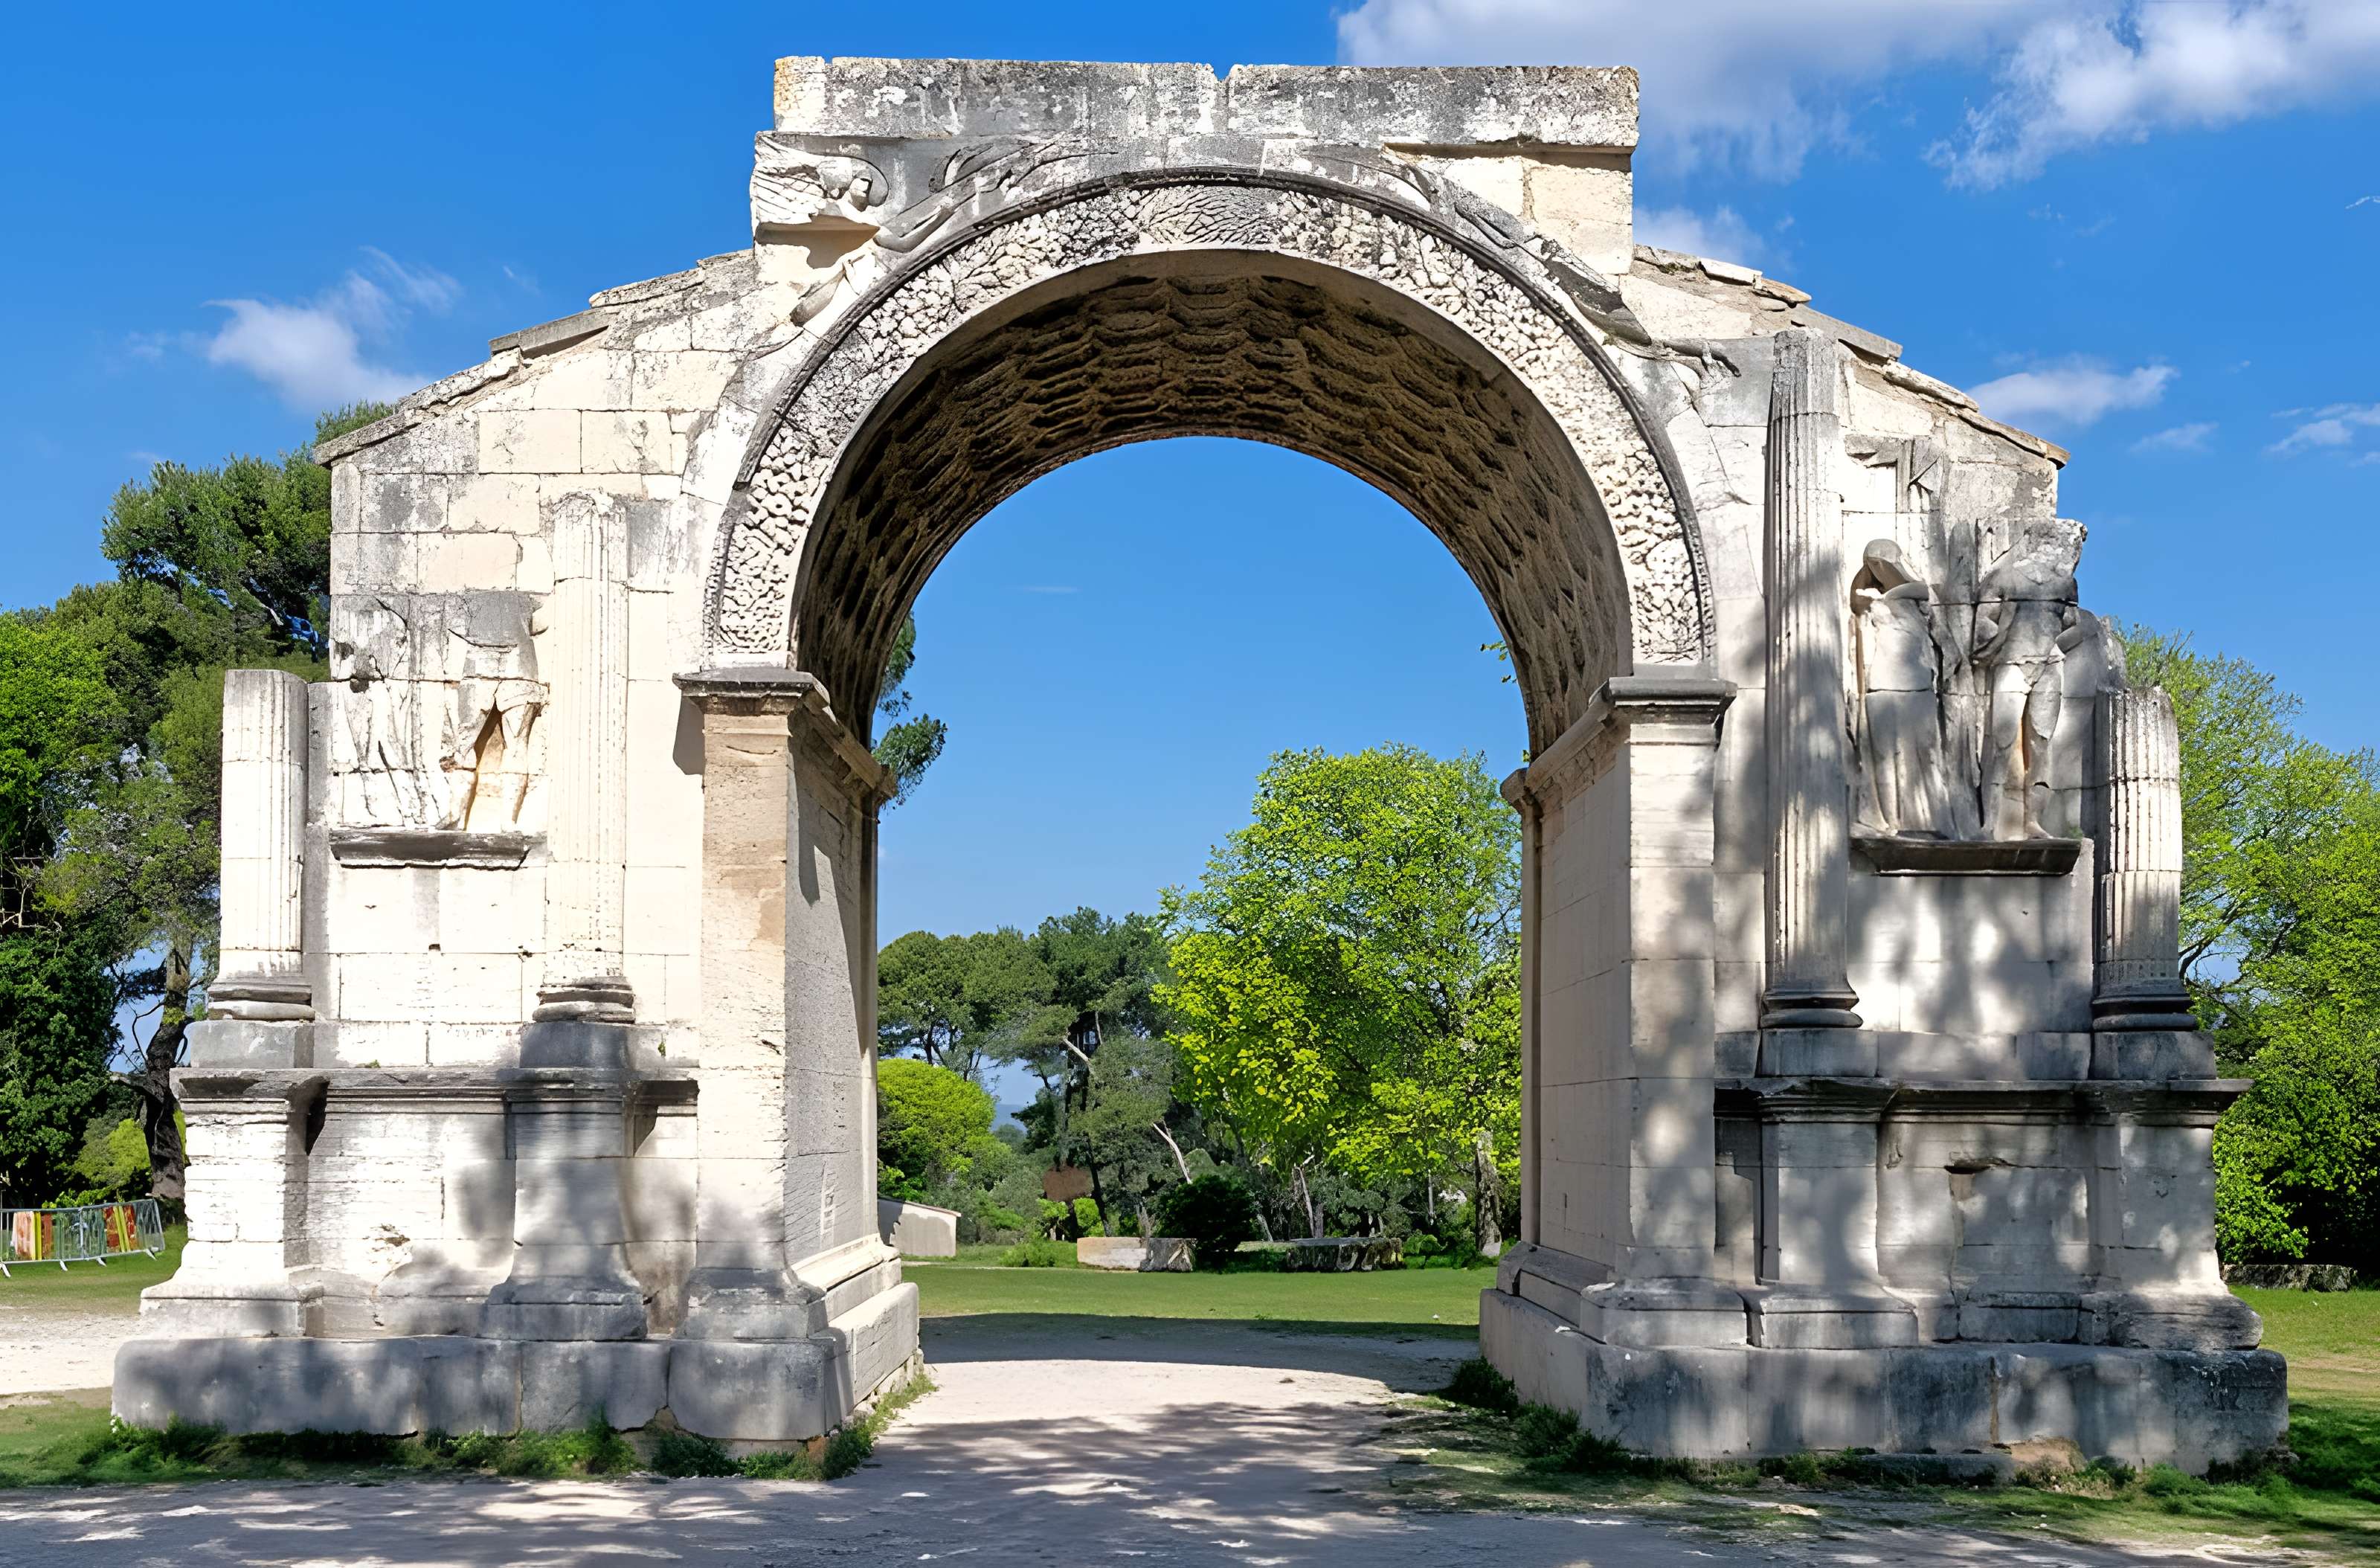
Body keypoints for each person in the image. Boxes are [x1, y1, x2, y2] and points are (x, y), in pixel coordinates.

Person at [1972, 521, 2089, 840]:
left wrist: (2055, 648)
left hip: (2050, 665)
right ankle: (1989, 822)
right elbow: (1983, 622)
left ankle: (2032, 821)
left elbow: (2071, 624)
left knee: (2041, 743)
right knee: (2001, 739)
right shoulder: (2005, 576)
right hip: (2012, 661)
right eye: (2071, 545)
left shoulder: (2066, 584)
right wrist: (1994, 643)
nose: (2073, 553)